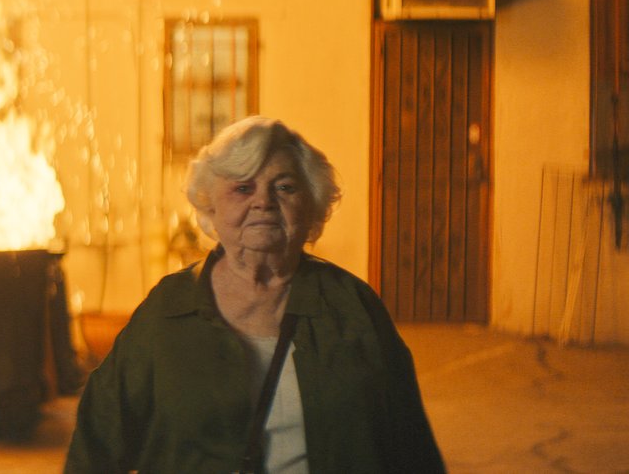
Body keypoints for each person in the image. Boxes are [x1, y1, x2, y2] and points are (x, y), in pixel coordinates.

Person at [66, 116, 444, 473]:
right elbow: (98, 440)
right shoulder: (168, 310)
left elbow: (410, 447)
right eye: (242, 188)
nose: (263, 201)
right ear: (211, 207)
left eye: (284, 187)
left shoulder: (353, 306)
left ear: (311, 206)